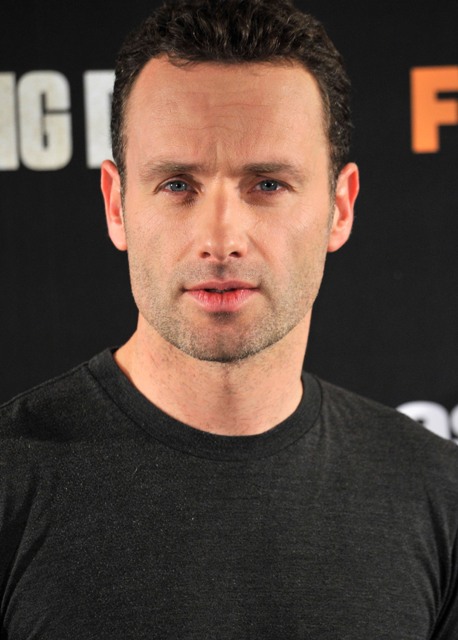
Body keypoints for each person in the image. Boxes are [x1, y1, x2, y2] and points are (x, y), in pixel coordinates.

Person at [1, 0, 457, 637]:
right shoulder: (11, 481)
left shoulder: (438, 495)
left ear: (340, 208)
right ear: (116, 206)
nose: (221, 240)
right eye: (177, 185)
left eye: (267, 184)